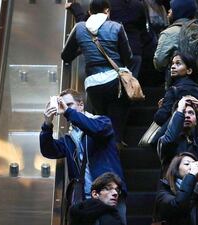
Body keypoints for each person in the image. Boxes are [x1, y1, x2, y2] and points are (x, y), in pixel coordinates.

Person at [39, 89, 127, 224]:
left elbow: (94, 129)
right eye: (62, 105)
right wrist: (47, 124)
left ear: (81, 105)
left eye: (69, 104)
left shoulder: (102, 122)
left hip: (108, 193)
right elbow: (49, 151)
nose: (64, 109)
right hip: (85, 198)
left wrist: (68, 112)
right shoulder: (70, 138)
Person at [61, 0, 133, 145]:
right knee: (116, 120)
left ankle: (102, 151)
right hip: (114, 82)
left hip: (93, 84)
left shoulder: (79, 27)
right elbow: (128, 58)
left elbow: (65, 56)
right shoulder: (116, 27)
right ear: (107, 11)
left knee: (100, 120)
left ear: (89, 12)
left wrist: (83, 48)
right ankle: (116, 144)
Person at [65, 0, 145, 77]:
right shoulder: (138, 5)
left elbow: (86, 24)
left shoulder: (107, 3)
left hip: (110, 53)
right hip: (134, 51)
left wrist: (75, 7)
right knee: (130, 87)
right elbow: (143, 28)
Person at [157, 95, 198, 174]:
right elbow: (168, 141)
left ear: (196, 122)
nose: (187, 116)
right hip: (173, 185)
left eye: (191, 113)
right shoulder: (164, 140)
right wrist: (179, 108)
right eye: (183, 112)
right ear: (175, 118)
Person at [154, 152, 198, 225]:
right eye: (187, 164)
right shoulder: (165, 190)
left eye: (195, 164)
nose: (192, 167)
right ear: (176, 169)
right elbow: (179, 205)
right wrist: (191, 175)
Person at [153, 52, 198, 126]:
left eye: (178, 63)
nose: (173, 67)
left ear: (189, 71)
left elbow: (160, 118)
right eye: (172, 63)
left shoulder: (174, 90)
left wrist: (161, 108)